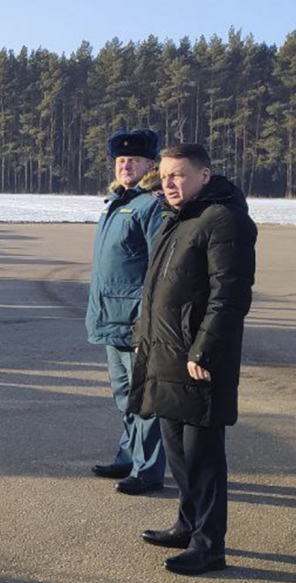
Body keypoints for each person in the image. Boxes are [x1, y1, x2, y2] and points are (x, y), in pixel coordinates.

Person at [128, 143, 257, 576]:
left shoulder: (225, 220)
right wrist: (142, 337)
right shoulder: (176, 220)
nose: (168, 183)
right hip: (165, 356)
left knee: (203, 458)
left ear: (204, 175)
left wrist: (205, 350)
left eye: (178, 175)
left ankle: (209, 544)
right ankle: (186, 524)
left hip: (198, 362)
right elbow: (155, 292)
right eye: (164, 175)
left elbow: (230, 295)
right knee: (177, 453)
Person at [85, 129, 167, 495]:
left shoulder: (152, 205)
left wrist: (147, 322)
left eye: (133, 160)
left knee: (144, 398)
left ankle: (149, 470)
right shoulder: (117, 202)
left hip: (135, 321)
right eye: (120, 160)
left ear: (151, 164)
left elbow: (160, 267)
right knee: (123, 394)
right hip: (110, 317)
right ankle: (128, 456)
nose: (126, 165)